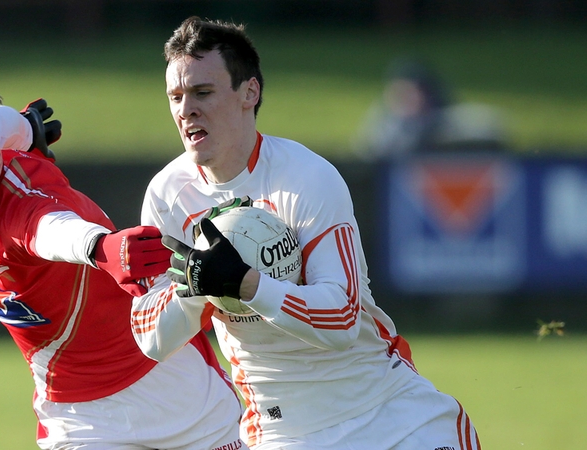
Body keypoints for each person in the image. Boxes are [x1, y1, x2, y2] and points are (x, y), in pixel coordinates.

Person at [131, 17, 481, 449]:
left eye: (202, 92)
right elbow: (151, 338)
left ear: (250, 93)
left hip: (388, 413)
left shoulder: (306, 177)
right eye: (176, 97)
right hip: (284, 430)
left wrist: (246, 284)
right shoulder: (169, 196)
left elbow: (342, 320)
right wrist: (195, 285)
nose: (186, 110)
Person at [0, 76, 247, 450]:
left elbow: (53, 231)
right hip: (77, 417)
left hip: (175, 385)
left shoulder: (20, 211)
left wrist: (102, 248)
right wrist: (26, 126)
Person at [353, 57, 507, 159]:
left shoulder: (453, 122)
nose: (403, 100)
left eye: (409, 93)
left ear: (426, 95)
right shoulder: (383, 127)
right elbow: (367, 155)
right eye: (397, 94)